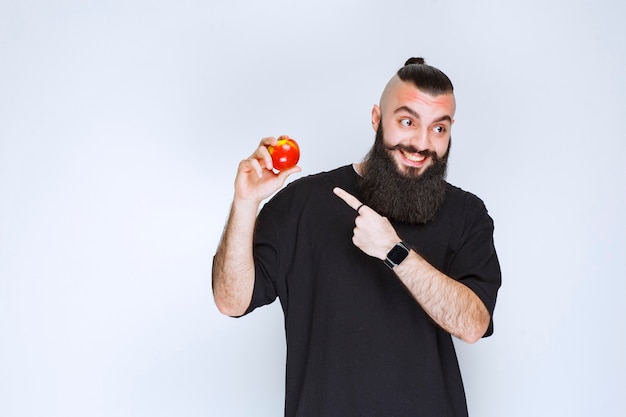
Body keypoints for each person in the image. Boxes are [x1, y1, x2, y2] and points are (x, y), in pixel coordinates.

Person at [212, 57, 501, 417]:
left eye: (438, 129)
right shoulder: (304, 203)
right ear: (377, 119)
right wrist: (245, 204)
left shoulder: (467, 215)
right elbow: (230, 300)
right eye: (407, 122)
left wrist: (394, 251)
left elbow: (473, 324)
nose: (421, 143)